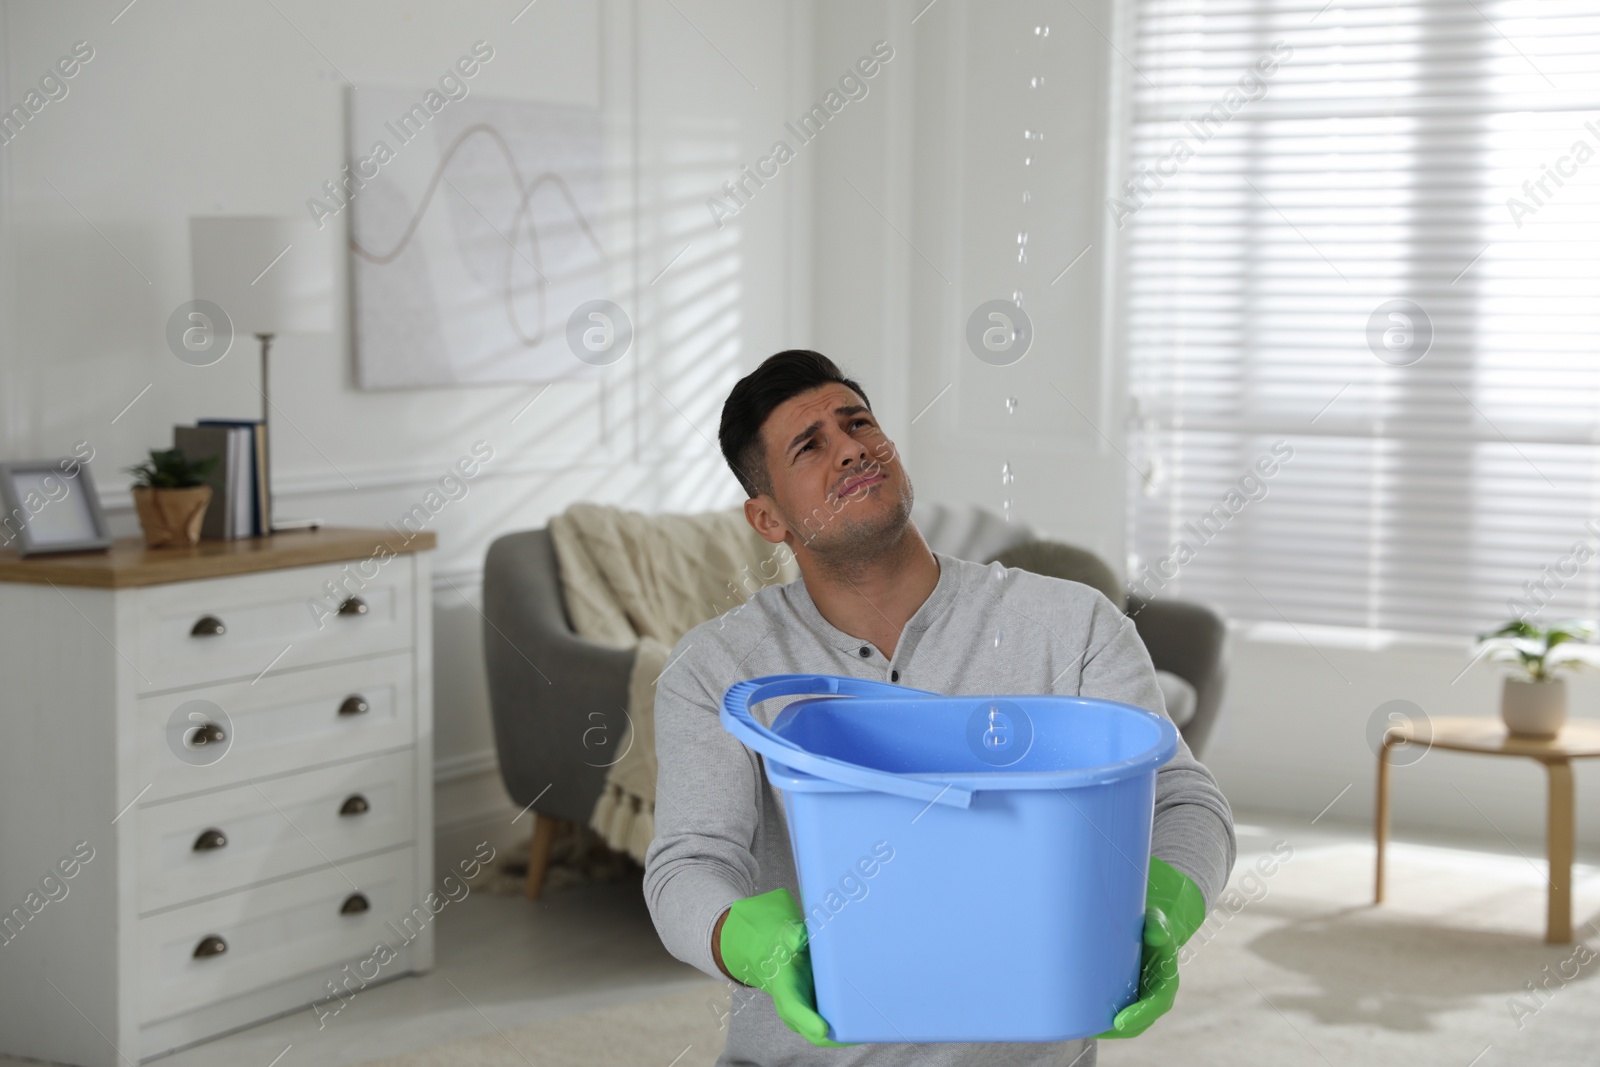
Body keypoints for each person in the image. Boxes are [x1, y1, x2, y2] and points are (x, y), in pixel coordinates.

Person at [643, 350, 1236, 1066]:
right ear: (768, 517)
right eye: (811, 445)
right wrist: (743, 937)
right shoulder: (718, 670)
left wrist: (1165, 908)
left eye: (857, 421)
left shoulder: (1070, 624)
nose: (852, 447)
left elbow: (1184, 798)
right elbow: (687, 866)